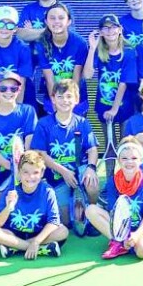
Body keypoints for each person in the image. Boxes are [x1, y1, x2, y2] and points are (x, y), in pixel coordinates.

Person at [30, 80, 99, 224]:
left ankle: (92, 213)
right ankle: (74, 204)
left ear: (76, 99)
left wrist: (91, 168)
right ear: (53, 99)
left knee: (92, 184)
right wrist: (64, 172)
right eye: (60, 97)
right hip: (56, 176)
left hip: (79, 171)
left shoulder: (82, 122)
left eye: (69, 96)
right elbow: (40, 154)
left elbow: (93, 149)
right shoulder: (44, 124)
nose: (64, 100)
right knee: (65, 222)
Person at [86, 137, 143, 259]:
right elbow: (113, 212)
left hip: (141, 229)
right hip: (119, 227)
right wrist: (122, 234)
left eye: (134, 158)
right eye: (124, 158)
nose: (129, 162)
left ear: (141, 160)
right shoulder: (112, 182)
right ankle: (118, 242)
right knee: (90, 210)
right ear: (118, 160)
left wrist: (136, 235)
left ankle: (127, 243)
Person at [0, 150, 68, 259]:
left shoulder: (48, 191)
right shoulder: (10, 191)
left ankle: (15, 248)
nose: (30, 177)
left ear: (42, 173)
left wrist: (36, 241)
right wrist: (8, 208)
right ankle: (42, 249)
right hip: (13, 234)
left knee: (63, 231)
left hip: (38, 234)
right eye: (25, 172)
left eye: (35, 172)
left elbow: (54, 222)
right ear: (19, 172)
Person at [84, 14, 137, 141]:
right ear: (101, 32)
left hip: (125, 106)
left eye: (114, 27)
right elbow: (87, 74)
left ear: (120, 29)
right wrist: (91, 48)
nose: (110, 31)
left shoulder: (129, 51)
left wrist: (114, 109)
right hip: (104, 105)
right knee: (110, 147)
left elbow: (124, 82)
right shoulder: (98, 51)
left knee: (126, 144)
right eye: (106, 28)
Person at [34, 2, 89, 117]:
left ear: (69, 21)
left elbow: (76, 77)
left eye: (61, 18)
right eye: (52, 18)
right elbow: (49, 79)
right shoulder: (41, 44)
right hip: (53, 95)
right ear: (46, 22)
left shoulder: (80, 43)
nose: (56, 21)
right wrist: (55, 103)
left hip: (75, 96)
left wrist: (70, 102)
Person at [0, 72, 38, 198]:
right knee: (7, 209)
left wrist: (22, 169)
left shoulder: (28, 111)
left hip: (26, 171)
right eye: (3, 88)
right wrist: (13, 167)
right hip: (1, 174)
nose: (8, 92)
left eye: (13, 88)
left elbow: (30, 143)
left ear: (20, 89)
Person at [0, 6, 33, 106]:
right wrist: (1, 108)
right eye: (1, 24)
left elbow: (21, 83)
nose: (5, 28)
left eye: (10, 25)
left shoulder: (23, 49)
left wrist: (16, 111)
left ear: (15, 28)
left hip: (17, 92)